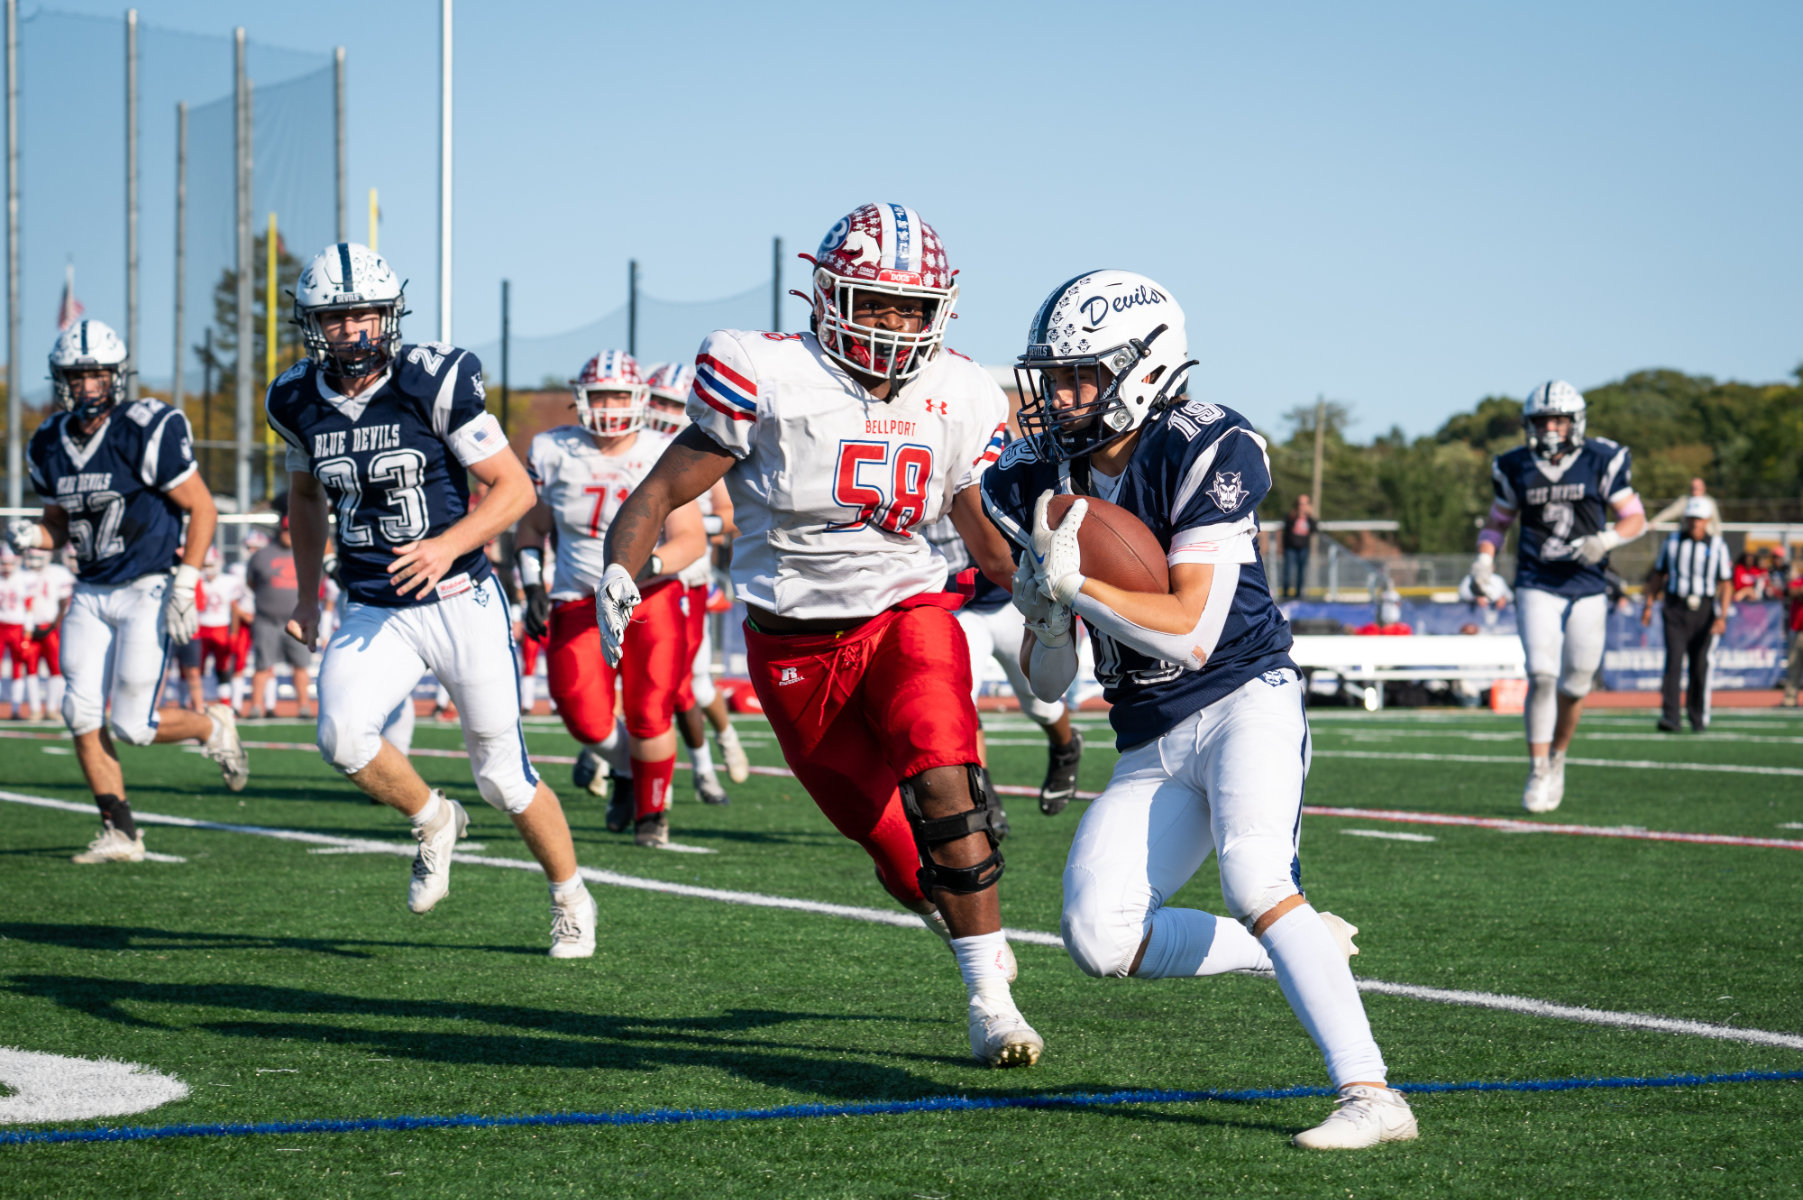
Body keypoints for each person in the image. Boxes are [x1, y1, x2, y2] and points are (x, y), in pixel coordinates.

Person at [601, 203, 1041, 1068]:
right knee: (885, 843)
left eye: (910, 308)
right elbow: (656, 493)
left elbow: (981, 537)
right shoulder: (765, 373)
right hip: (793, 645)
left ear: (939, 311)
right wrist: (620, 567)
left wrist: (1057, 593)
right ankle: (960, 927)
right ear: (829, 295)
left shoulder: (961, 392)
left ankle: (992, 999)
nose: (892, 324)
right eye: (874, 303)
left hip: (907, 615)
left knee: (945, 776)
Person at [981, 269, 1406, 1149]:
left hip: (1243, 697)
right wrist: (1047, 610)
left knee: (1256, 879)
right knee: (1099, 938)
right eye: (1051, 375)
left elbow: (1189, 634)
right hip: (1148, 735)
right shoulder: (1036, 475)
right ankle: (1292, 943)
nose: (1057, 397)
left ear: (1143, 369)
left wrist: (1079, 583)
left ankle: (1372, 1095)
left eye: (1079, 376)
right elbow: (1051, 682)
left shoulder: (1206, 442)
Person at [268, 241, 595, 957]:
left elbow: (514, 490)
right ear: (311, 324)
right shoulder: (293, 398)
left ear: (390, 315)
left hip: (457, 596)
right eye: (335, 317)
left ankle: (570, 895)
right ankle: (431, 818)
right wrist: (304, 592)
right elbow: (303, 495)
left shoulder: (432, 380)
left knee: (504, 778)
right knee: (341, 737)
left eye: (365, 315)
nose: (351, 330)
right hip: (372, 604)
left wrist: (449, 544)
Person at [8, 318, 250, 862]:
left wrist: (186, 580)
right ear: (61, 380)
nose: (87, 386)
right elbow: (59, 525)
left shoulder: (144, 426)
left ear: (116, 376)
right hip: (90, 588)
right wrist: (34, 535)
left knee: (133, 725)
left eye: (97, 374)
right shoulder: (49, 441)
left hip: (146, 584)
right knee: (79, 711)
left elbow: (202, 507)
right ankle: (120, 831)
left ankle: (214, 725)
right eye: (77, 375)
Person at [514, 350, 707, 847]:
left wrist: (649, 566)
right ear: (580, 399)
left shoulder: (662, 448)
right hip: (576, 596)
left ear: (639, 398)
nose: (610, 405)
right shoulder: (553, 449)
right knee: (580, 710)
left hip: (650, 598)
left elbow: (691, 538)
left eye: (619, 394)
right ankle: (627, 771)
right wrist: (533, 582)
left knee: (649, 712)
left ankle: (652, 811)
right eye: (600, 395)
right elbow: (531, 526)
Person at [1467, 380, 1645, 813]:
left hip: (1587, 584)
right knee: (1542, 674)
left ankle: (1559, 755)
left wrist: (1605, 540)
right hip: (1537, 580)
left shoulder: (1602, 458)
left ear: (1575, 422)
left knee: (1577, 682)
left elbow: (1634, 519)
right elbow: (1498, 521)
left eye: (1559, 419)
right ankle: (1538, 766)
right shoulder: (1514, 465)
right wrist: (1485, 558)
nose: (1550, 427)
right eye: (1543, 419)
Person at [924, 492, 1085, 818]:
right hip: (954, 609)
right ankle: (982, 791)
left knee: (1042, 703)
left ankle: (1066, 747)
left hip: (1009, 598)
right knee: (959, 706)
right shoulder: (912, 474)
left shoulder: (983, 461)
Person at [644, 360, 751, 801]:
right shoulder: (633, 447)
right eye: (659, 402)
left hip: (688, 581)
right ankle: (617, 765)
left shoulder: (703, 447)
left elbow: (729, 518)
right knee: (646, 686)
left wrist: (683, 525)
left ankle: (718, 747)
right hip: (644, 583)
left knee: (695, 684)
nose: (666, 412)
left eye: (674, 403)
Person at [1642, 498, 1732, 733]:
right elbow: (1658, 575)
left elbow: (1725, 583)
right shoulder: (1672, 542)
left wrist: (1722, 616)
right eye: (1691, 519)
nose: (1695, 524)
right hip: (1675, 608)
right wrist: (1648, 604)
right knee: (1673, 662)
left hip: (1704, 610)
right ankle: (1670, 717)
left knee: (1699, 666)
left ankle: (1697, 717)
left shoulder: (1718, 545)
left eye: (1699, 519)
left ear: (1707, 521)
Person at [246, 515, 313, 719]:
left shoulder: (305, 554)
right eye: (285, 531)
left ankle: (304, 707)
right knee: (262, 666)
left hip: (298, 621)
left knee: (301, 666)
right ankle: (256, 707)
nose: (289, 535)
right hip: (267, 619)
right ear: (279, 532)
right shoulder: (262, 555)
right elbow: (251, 583)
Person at [197, 547, 252, 709]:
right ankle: (197, 703)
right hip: (200, 627)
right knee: (196, 669)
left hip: (221, 626)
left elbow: (234, 608)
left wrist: (233, 632)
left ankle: (227, 703)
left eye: (210, 564)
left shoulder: (229, 581)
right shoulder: (197, 581)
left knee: (224, 667)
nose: (208, 569)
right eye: (205, 565)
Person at [1280, 494, 1316, 600]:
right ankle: (1285, 595)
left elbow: (1314, 530)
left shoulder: (1309, 518)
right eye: (1301, 504)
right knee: (1288, 572)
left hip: (1303, 548)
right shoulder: (1291, 516)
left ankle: (1298, 595)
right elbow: (1287, 529)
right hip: (1291, 548)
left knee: (1301, 572)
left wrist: (1309, 516)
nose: (1303, 506)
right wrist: (1297, 516)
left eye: (1305, 504)